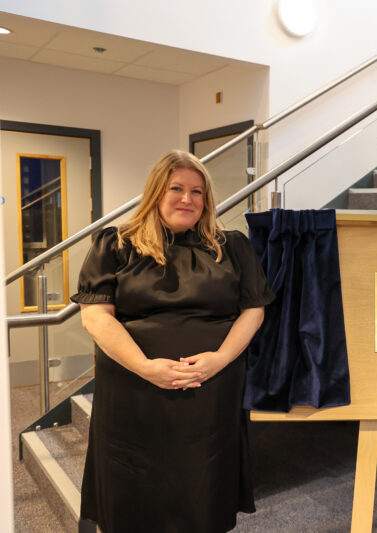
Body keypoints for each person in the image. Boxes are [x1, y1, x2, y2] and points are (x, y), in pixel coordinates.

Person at [71, 150, 274, 533]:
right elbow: (96, 317)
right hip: (134, 391)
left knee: (202, 490)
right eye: (176, 188)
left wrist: (220, 359)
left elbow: (254, 310)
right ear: (155, 193)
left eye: (197, 192)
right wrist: (146, 367)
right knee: (133, 491)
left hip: (211, 392)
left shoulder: (232, 246)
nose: (188, 199)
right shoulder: (115, 245)